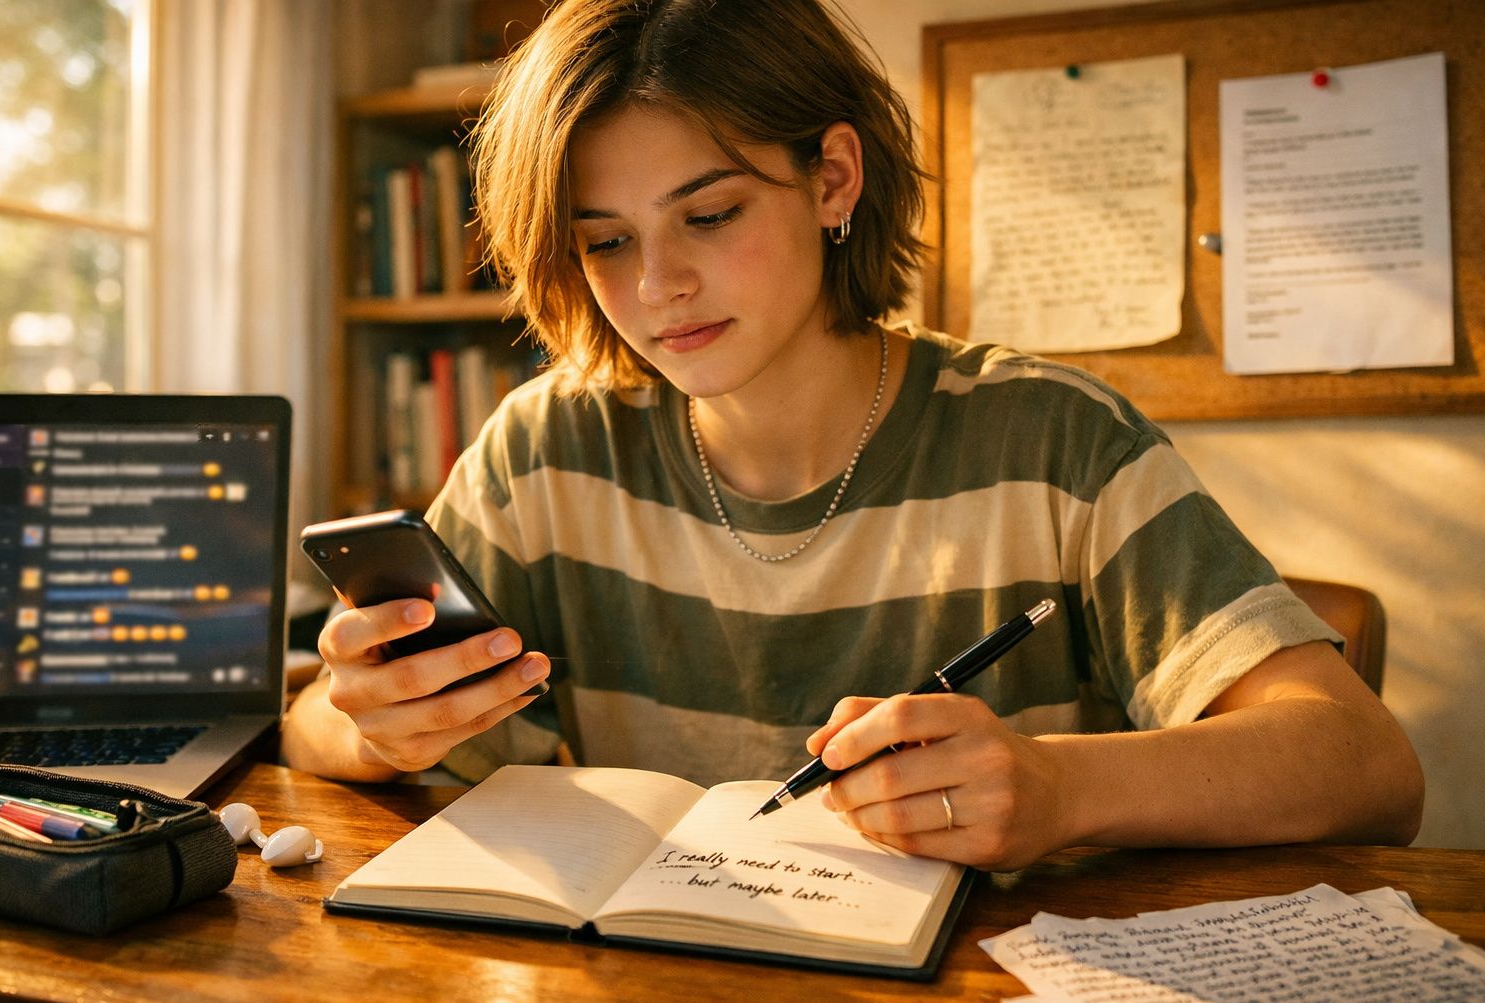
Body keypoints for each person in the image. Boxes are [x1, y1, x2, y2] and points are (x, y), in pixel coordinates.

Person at [283, 0, 1423, 870]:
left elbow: (1368, 765)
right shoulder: (547, 452)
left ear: (832, 179)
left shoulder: (1053, 440)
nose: (659, 286)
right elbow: (317, 727)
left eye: (711, 214)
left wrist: (1060, 789)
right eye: (604, 242)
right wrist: (370, 721)